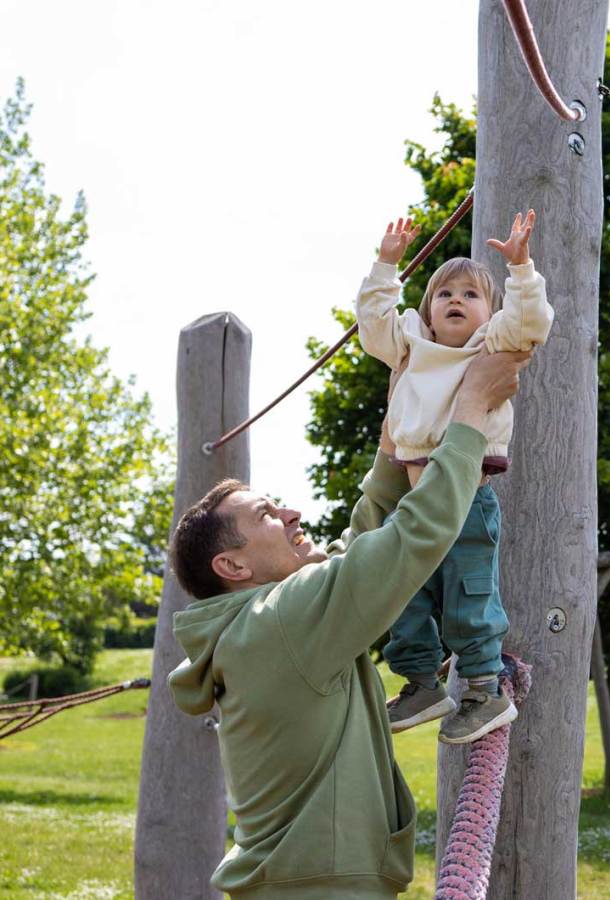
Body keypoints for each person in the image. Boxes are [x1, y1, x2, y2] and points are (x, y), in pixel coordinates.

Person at [167, 348, 530, 898]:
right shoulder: (278, 622)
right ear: (233, 566)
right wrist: (471, 410)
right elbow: (411, 538)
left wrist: (396, 438)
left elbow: (355, 551)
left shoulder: (262, 626)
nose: (291, 514)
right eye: (267, 514)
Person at [354, 209, 552, 743]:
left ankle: (485, 691)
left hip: (466, 497)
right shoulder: (412, 346)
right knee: (404, 595)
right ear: (427, 311)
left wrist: (521, 268)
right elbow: (373, 326)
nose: (456, 301)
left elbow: (532, 321)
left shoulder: (488, 344)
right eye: (445, 294)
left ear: (489, 313)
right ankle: (421, 683)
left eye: (470, 294)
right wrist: (386, 266)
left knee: (468, 597)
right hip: (412, 503)